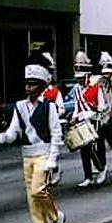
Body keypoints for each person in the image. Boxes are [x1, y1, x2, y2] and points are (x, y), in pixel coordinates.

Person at [0, 64, 65, 223]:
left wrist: (53, 158)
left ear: (42, 86)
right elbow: (15, 130)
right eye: (27, 84)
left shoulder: (49, 107)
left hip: (43, 154)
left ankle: (56, 216)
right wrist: (6, 137)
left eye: (33, 84)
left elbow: (56, 133)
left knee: (38, 191)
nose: (29, 87)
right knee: (31, 197)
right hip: (27, 155)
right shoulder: (19, 106)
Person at [71, 51, 107, 187]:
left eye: (81, 77)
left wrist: (94, 109)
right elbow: (76, 107)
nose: (79, 80)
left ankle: (101, 169)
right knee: (84, 150)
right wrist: (74, 117)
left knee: (96, 148)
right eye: (78, 78)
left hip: (95, 121)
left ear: (87, 75)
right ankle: (88, 176)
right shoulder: (77, 90)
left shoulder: (96, 87)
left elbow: (103, 106)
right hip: (82, 122)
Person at [40, 52, 65, 186]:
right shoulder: (37, 93)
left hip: (52, 126)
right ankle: (45, 175)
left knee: (52, 150)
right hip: (40, 127)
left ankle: (55, 171)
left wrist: (53, 113)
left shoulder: (55, 92)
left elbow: (62, 109)